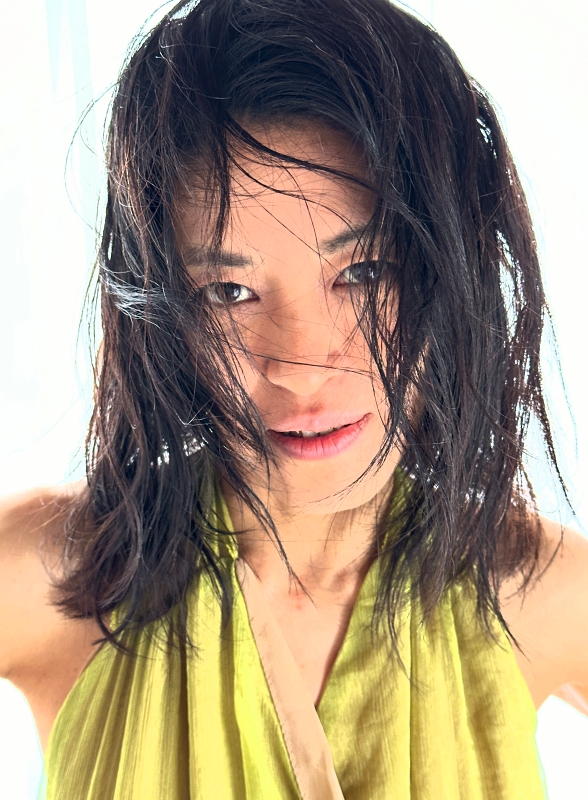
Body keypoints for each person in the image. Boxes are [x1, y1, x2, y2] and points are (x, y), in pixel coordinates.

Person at [1, 0, 587, 797]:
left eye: (364, 273)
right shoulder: (53, 581)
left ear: (451, 268)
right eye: (229, 292)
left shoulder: (544, 594)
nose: (303, 368)